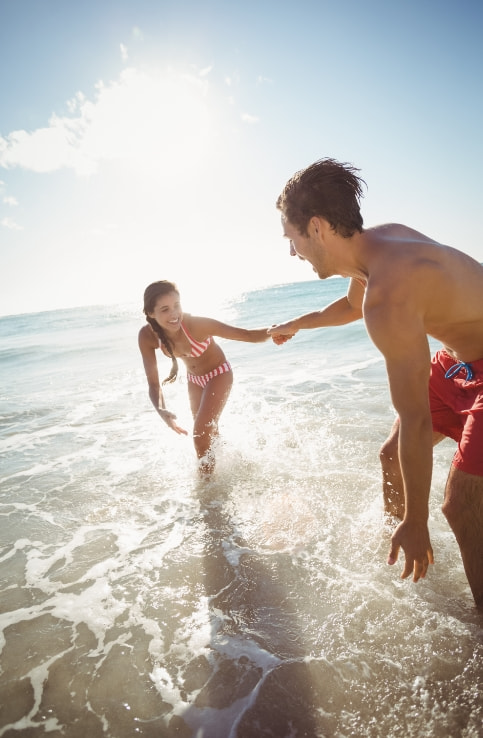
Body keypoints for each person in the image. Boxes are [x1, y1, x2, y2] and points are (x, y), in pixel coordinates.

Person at [268, 157, 483, 608]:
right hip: (462, 359)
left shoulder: (389, 296)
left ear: (318, 228)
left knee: (459, 506)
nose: (293, 253)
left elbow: (417, 421)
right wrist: (298, 323)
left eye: (293, 240)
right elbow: (349, 306)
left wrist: (418, 517)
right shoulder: (377, 246)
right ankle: (401, 564)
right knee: (391, 456)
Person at [139, 280, 271, 473]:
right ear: (151, 313)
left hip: (219, 374)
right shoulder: (147, 337)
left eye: (177, 305)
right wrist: (161, 409)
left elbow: (247, 335)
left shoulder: (196, 324)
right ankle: (238, 465)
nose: (174, 314)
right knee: (210, 433)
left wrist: (279, 330)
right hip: (194, 380)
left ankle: (207, 492)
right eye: (165, 309)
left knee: (200, 433)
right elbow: (153, 383)